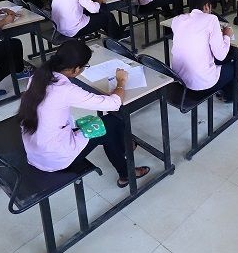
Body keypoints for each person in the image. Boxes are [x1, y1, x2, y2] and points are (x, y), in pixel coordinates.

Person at [18, 40, 149, 188]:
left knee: (105, 126)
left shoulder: (37, 77)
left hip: (37, 148)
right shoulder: (64, 90)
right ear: (76, 69)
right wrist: (121, 82)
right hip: (55, 158)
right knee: (112, 123)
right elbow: (114, 104)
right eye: (84, 67)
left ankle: (122, 148)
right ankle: (126, 172)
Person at [171, 0, 238, 104]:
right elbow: (220, 55)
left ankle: (224, 88)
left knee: (219, 60)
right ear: (206, 6)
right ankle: (229, 97)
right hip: (201, 85)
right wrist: (226, 36)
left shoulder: (177, 19)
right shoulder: (211, 19)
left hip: (180, 80)